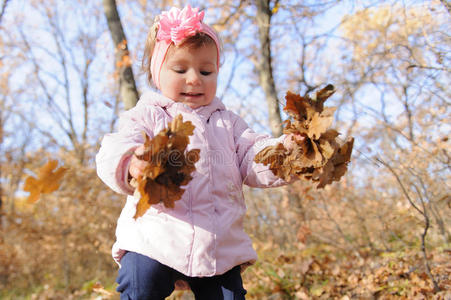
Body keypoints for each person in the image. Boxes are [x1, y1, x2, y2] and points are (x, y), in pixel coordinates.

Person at [96, 5, 295, 300]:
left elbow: (254, 154)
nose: (194, 79)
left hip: (217, 243)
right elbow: (114, 146)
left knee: (228, 296)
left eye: (206, 70)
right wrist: (131, 161)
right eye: (180, 69)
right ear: (157, 74)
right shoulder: (148, 115)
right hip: (155, 235)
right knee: (140, 283)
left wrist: (288, 154)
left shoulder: (228, 123)